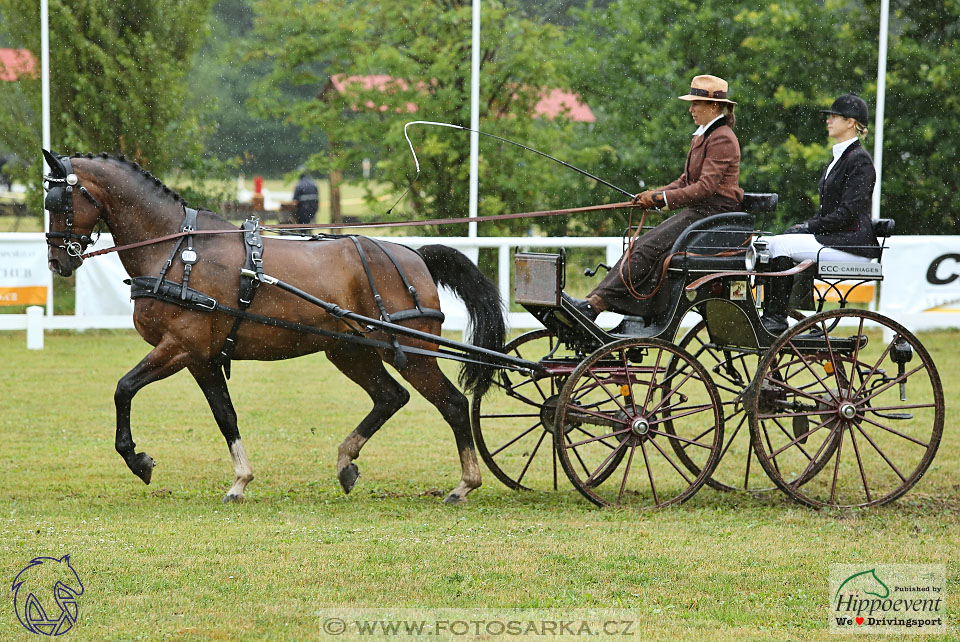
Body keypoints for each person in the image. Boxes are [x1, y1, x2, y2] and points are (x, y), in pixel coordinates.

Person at [567, 74, 744, 319]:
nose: (691, 109)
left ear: (714, 106)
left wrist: (661, 199)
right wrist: (654, 195)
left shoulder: (722, 137)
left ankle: (596, 305)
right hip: (700, 212)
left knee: (646, 248)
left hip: (714, 215)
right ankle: (595, 300)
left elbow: (704, 188)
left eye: (696, 104)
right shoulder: (704, 135)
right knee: (640, 246)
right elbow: (685, 181)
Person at [759, 93, 879, 334]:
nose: (829, 120)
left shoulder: (860, 161)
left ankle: (775, 318)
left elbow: (847, 213)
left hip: (852, 244)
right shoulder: (839, 158)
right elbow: (829, 211)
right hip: (836, 238)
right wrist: (808, 225)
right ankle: (772, 312)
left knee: (780, 246)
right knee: (768, 243)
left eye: (835, 116)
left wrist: (809, 227)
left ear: (850, 122)